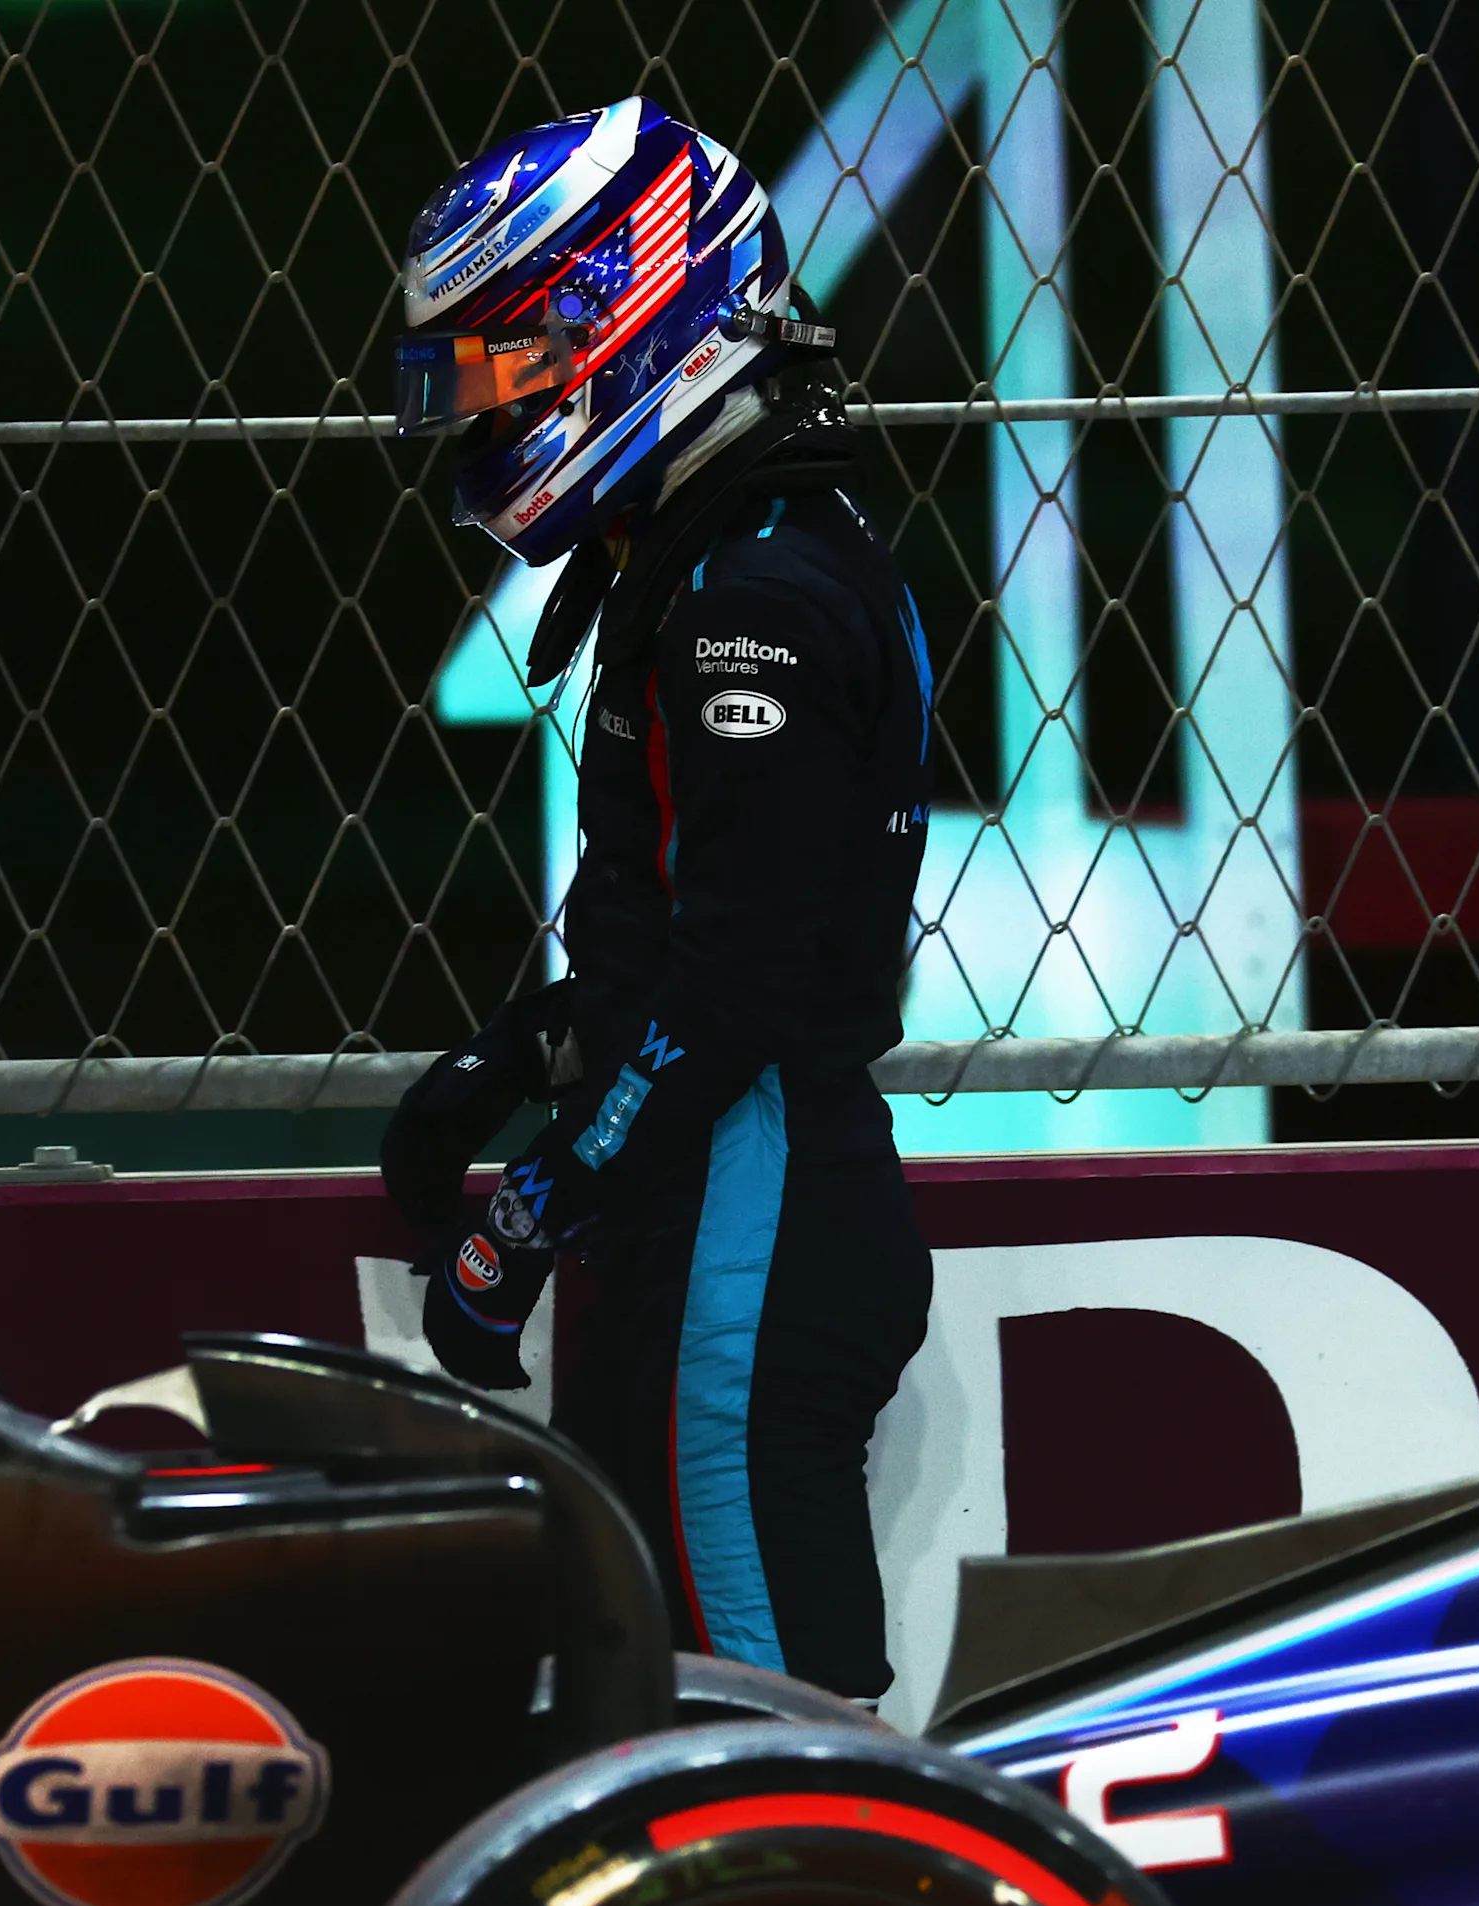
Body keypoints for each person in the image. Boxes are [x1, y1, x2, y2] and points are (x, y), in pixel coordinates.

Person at [376, 97, 936, 1701]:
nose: (485, 416)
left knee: (765, 1740)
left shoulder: (751, 590)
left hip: (748, 1220)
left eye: (506, 369)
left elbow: (744, 990)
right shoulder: (734, 546)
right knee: (649, 1728)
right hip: (727, 1204)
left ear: (628, 316)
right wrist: (528, 1049)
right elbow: (717, 937)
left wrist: (531, 1213)